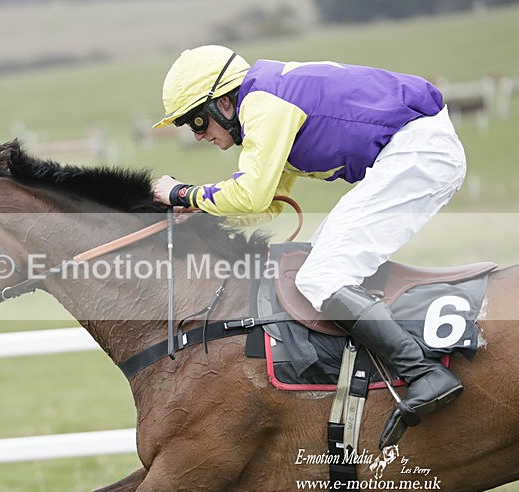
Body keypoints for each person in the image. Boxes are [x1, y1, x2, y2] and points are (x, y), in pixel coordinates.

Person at [151, 45, 467, 449]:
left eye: (196, 121)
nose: (197, 135)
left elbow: (250, 195)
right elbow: (263, 205)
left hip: (418, 153)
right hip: (410, 152)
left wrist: (181, 193)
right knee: (309, 278)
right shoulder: (263, 105)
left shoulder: (264, 105)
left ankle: (425, 374)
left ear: (225, 102)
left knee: (322, 277)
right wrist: (202, 212)